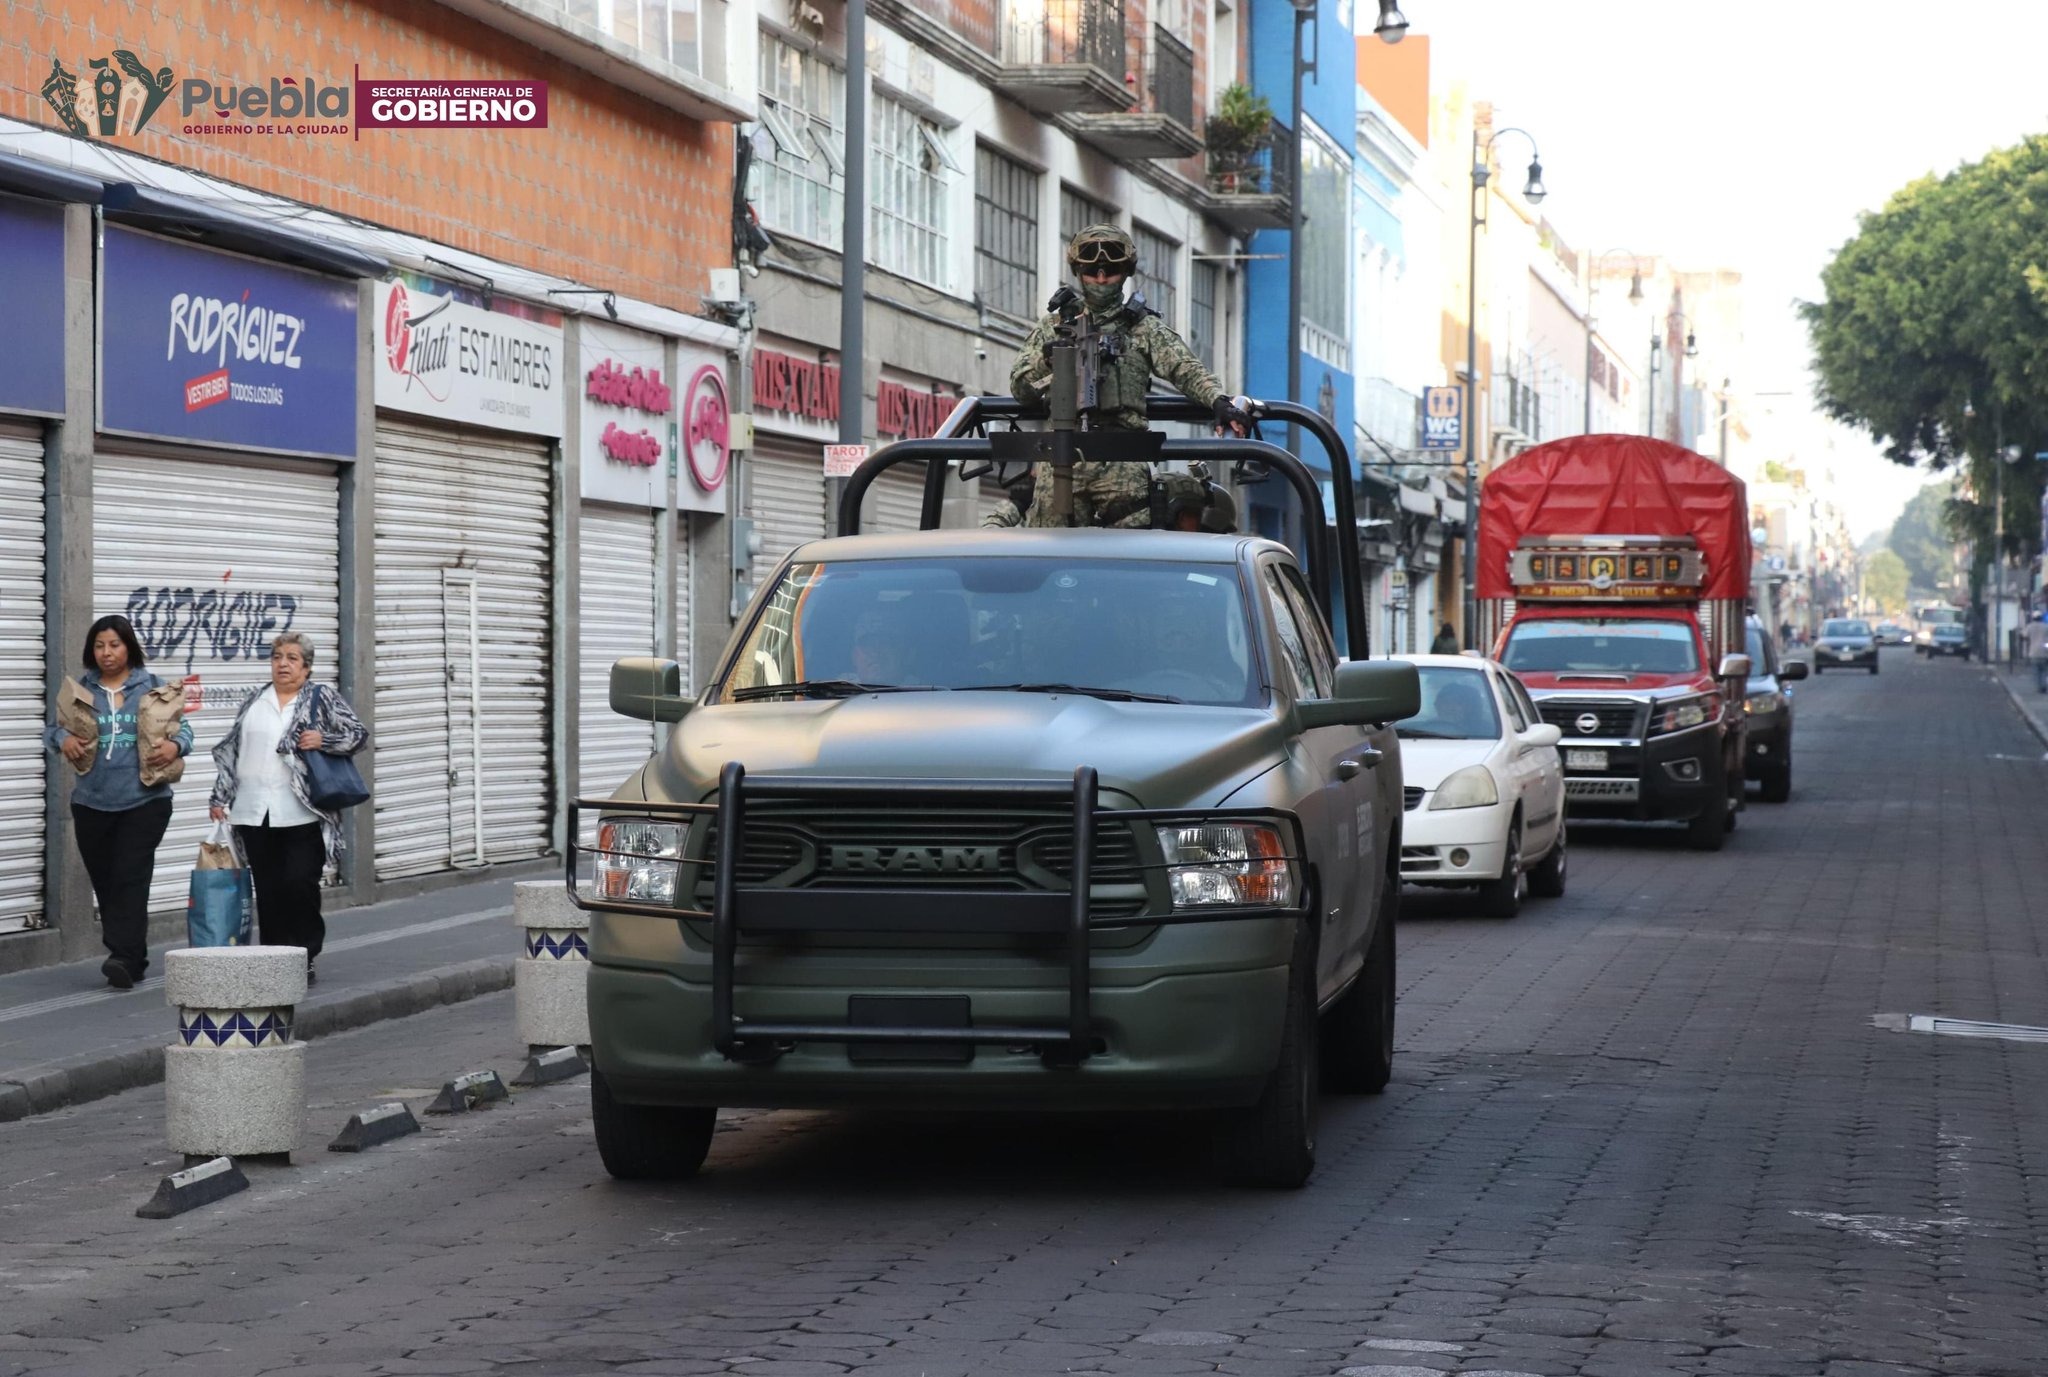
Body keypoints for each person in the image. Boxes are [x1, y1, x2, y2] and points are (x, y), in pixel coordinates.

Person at [1009, 224, 1247, 528]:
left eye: (1110, 271)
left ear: (1126, 272)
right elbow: (1020, 387)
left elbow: (1185, 368)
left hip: (1123, 456)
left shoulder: (1143, 328)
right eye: (1092, 271)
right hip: (1063, 454)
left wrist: (1218, 401)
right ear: (1078, 271)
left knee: (1133, 545)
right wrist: (1048, 359)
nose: (1101, 279)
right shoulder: (1054, 326)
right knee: (1047, 545)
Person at [43, 614, 193, 989]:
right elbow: (53, 729)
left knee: (129, 875)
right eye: (99, 646)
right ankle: (132, 956)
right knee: (106, 881)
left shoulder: (152, 686)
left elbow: (185, 730)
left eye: (114, 644)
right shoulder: (80, 689)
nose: (106, 652)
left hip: (145, 801)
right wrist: (63, 739)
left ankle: (122, 957)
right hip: (91, 803)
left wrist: (175, 746)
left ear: (128, 647)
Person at [208, 633, 368, 985]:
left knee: (299, 884)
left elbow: (358, 735)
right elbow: (235, 754)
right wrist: (219, 798)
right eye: (277, 656)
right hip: (254, 811)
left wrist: (324, 740)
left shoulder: (320, 698)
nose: (283, 664)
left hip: (301, 811)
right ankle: (274, 958)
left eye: (292, 658)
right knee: (269, 890)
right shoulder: (255, 700)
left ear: (306, 667)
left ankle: (304, 954)